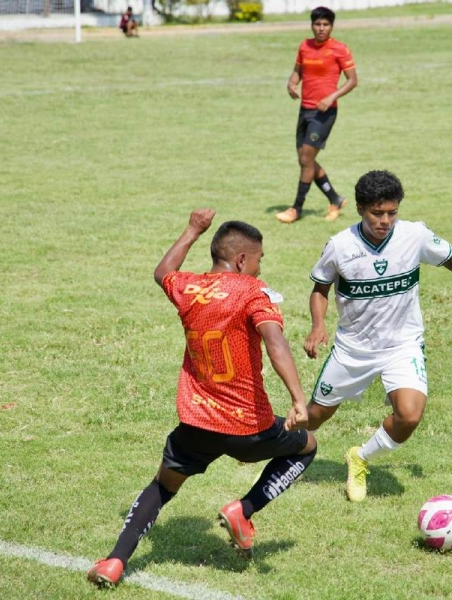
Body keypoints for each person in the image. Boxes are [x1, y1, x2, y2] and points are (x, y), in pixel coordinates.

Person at [88, 209, 317, 587]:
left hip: (196, 422)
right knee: (306, 447)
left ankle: (114, 561)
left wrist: (193, 229)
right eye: (259, 259)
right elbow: (276, 344)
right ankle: (244, 510)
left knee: (162, 487)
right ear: (242, 259)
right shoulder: (252, 293)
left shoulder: (189, 288)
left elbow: (163, 272)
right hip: (247, 427)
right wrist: (297, 399)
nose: (260, 268)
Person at [303, 170, 452, 502]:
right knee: (312, 417)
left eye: (392, 212)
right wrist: (318, 325)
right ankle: (270, 453)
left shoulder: (414, 235)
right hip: (353, 349)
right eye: (377, 213)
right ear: (360, 208)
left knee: (409, 415)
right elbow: (320, 289)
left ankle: (360, 457)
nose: (385, 220)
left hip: (402, 345)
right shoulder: (340, 245)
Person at [276, 6, 357, 224]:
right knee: (306, 160)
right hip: (305, 110)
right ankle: (335, 199)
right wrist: (291, 83)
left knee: (306, 159)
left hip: (325, 112)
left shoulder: (340, 49)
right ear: (312, 25)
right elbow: (297, 72)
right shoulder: (305, 46)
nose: (321, 28)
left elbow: (352, 81)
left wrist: (331, 97)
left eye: (325, 24)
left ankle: (296, 209)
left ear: (331, 26)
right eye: (318, 24)